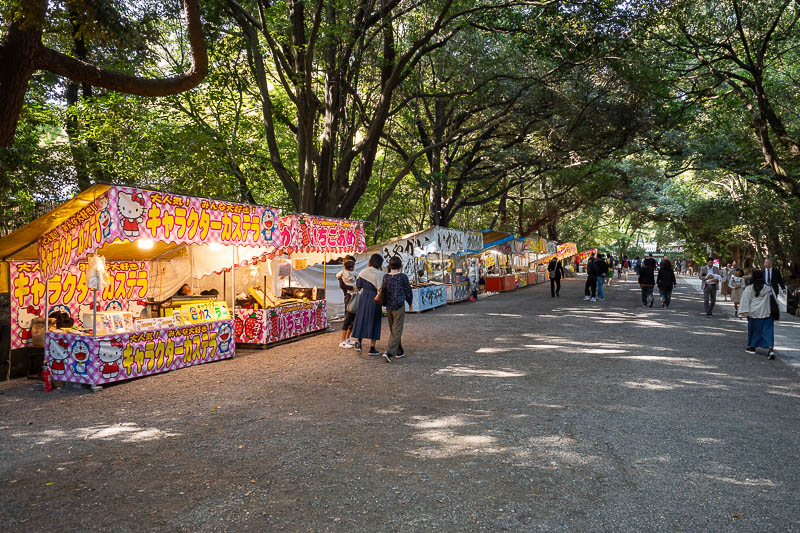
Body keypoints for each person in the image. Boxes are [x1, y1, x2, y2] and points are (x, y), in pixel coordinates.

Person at [380, 256, 413, 363]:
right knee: (397, 329)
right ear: (400, 265)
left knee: (393, 329)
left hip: (389, 306)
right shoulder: (402, 277)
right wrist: (410, 302)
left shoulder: (386, 277)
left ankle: (400, 351)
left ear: (390, 265)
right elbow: (408, 290)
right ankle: (389, 353)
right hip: (399, 305)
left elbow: (383, 291)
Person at [739, 270, 777, 359]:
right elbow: (774, 301)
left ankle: (752, 347)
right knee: (768, 331)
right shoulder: (768, 288)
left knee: (754, 331)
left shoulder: (749, 288)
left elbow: (745, 301)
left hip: (753, 314)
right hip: (767, 313)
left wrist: (742, 313)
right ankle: (770, 349)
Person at [352, 254, 385, 356]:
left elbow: (357, 286)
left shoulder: (363, 272)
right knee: (374, 320)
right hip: (375, 298)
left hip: (364, 297)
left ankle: (359, 341)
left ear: (370, 261)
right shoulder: (380, 274)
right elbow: (381, 289)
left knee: (361, 319)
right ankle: (372, 348)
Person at [337, 258, 358, 348]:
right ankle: (342, 340)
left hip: (355, 296)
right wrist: (353, 288)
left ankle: (348, 338)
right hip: (349, 296)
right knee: (348, 317)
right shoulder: (341, 274)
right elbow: (342, 286)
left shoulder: (354, 274)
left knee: (354, 318)